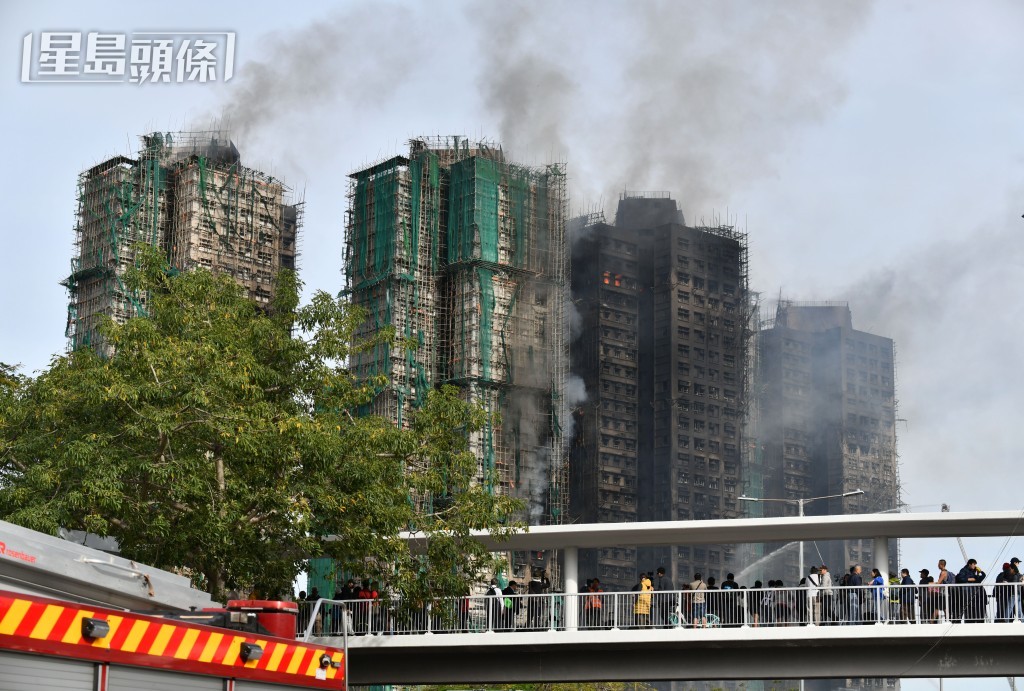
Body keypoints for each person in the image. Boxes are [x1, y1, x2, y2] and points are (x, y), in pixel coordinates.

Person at [955, 559, 986, 623]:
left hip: (973, 593)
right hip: (966, 593)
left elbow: (980, 579)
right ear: (969, 564)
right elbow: (959, 578)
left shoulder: (973, 572)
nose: (975, 566)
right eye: (974, 564)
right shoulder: (964, 570)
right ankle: (968, 621)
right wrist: (969, 579)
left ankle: (972, 621)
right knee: (967, 608)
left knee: (973, 608)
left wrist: (980, 572)